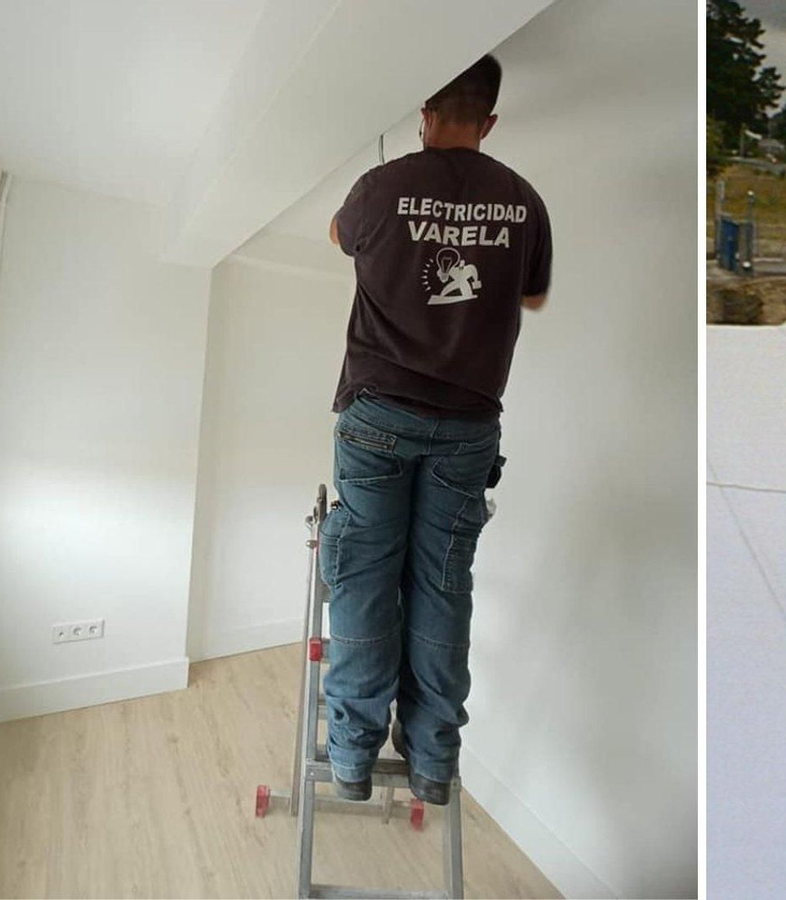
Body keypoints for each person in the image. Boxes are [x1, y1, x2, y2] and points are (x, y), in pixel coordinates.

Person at [323, 54, 552, 804]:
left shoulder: (381, 188)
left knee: (363, 580)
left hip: (378, 415)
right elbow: (535, 300)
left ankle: (352, 759)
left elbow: (338, 234)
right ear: (488, 122)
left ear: (425, 114)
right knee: (442, 586)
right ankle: (431, 761)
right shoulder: (523, 199)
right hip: (467, 430)